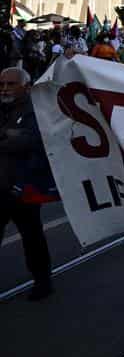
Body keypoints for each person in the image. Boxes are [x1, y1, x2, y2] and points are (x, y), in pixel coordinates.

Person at [0, 67, 55, 301]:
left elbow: (33, 140)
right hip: (1, 187)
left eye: (10, 84)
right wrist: (10, 135)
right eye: (2, 84)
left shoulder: (35, 109)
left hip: (23, 188)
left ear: (26, 86)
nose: (4, 89)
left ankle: (43, 281)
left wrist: (7, 137)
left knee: (32, 237)